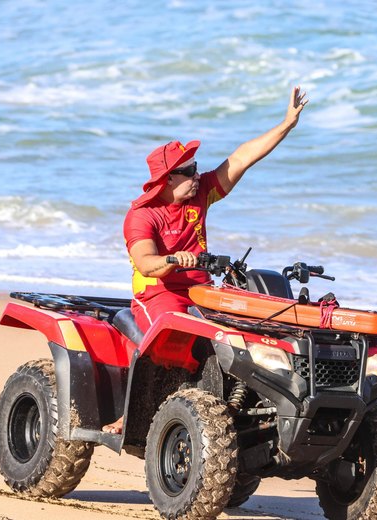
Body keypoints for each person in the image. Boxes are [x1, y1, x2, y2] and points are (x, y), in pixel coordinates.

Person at [102, 86, 307, 434]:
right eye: (189, 169)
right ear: (167, 179)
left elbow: (241, 158)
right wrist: (174, 260)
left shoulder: (200, 195)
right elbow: (146, 263)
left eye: (197, 167)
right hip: (159, 294)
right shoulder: (142, 216)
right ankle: (131, 414)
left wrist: (286, 123)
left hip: (201, 290)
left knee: (243, 328)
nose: (198, 174)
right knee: (171, 332)